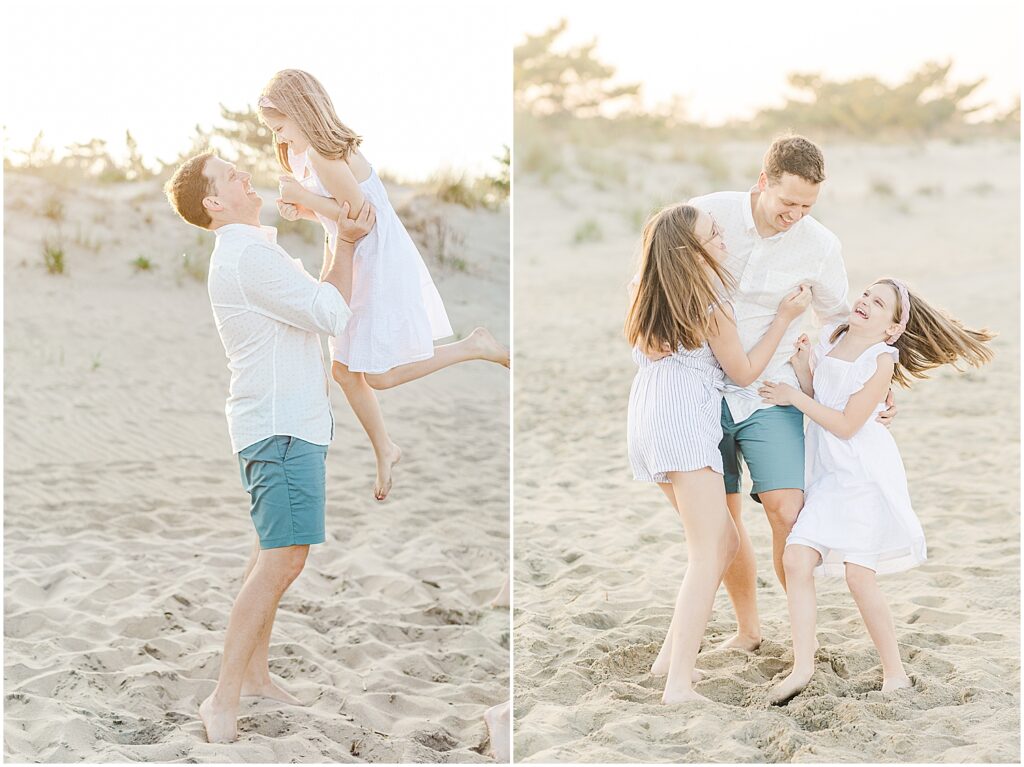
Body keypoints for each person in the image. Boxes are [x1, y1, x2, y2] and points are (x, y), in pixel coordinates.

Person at [164, 150, 375, 743]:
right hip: (279, 426)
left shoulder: (254, 249)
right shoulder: (248, 255)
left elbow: (316, 308)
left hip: (285, 421)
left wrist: (339, 239)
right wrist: (349, 243)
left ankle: (254, 676)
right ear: (212, 202)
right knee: (284, 558)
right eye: (231, 175)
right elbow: (332, 312)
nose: (244, 175)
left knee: (271, 554)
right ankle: (222, 697)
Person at [258, 69, 509, 501]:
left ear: (300, 113)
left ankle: (474, 346)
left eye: (280, 127)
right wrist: (306, 211)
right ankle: (385, 449)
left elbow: (361, 217)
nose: (278, 137)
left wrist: (304, 199)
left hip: (377, 261)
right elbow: (336, 216)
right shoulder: (302, 155)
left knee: (379, 376)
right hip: (353, 257)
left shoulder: (322, 153)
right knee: (343, 370)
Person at [687, 134, 897, 652]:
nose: (796, 215)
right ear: (762, 182)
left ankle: (802, 638)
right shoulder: (705, 216)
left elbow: (840, 319)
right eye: (787, 203)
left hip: (771, 390)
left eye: (807, 206)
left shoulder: (819, 244)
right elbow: (654, 279)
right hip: (695, 387)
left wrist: (875, 384)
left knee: (786, 508)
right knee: (724, 517)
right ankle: (747, 631)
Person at [758, 279, 994, 704]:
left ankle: (895, 673)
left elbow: (847, 425)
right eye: (866, 294)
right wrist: (803, 370)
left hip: (862, 474)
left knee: (858, 575)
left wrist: (793, 396)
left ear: (892, 328)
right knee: (795, 558)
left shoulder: (881, 360)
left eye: (879, 303)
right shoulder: (836, 337)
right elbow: (824, 398)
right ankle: (803, 667)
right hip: (829, 474)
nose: (865, 301)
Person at [625, 203, 811, 702]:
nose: (724, 238)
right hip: (685, 420)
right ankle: (679, 684)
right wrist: (785, 319)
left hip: (647, 418)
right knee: (709, 552)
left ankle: (669, 658)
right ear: (693, 250)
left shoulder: (647, 296)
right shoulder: (710, 304)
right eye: (714, 234)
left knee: (722, 542)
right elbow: (743, 373)